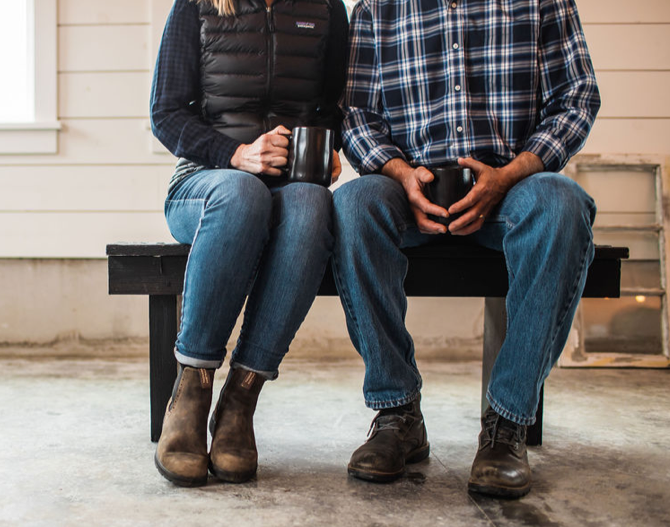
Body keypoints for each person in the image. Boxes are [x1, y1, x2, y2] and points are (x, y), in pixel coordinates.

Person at [333, 0, 600, 498]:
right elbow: (355, 114)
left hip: (512, 184)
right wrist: (398, 173)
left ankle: (506, 422)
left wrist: (510, 175)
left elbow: (577, 97)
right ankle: (397, 412)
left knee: (564, 207)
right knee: (352, 205)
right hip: (410, 186)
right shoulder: (376, 6)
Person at [149, 0, 348, 487]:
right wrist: (235, 153)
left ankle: (241, 397)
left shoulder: (326, 9)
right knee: (242, 194)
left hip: (290, 186)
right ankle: (191, 391)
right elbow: (165, 113)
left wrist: (332, 146)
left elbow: (339, 104)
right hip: (207, 183)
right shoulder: (196, 5)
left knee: (313, 206)